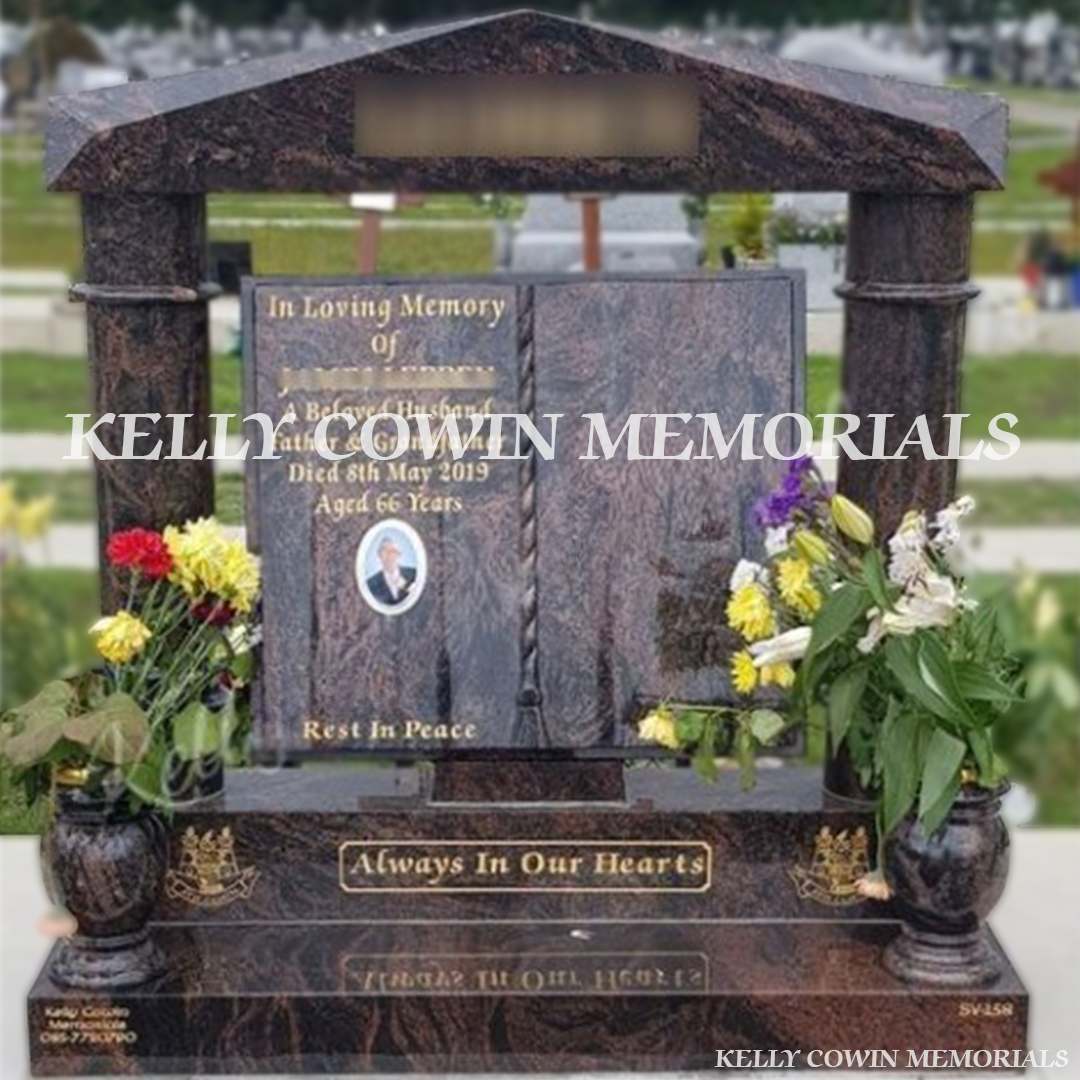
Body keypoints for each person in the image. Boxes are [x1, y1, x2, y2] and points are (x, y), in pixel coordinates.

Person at [366, 535, 416, 606]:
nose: (390, 557)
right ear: (379, 555)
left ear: (399, 555)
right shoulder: (370, 584)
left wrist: (406, 586)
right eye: (386, 552)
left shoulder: (414, 574)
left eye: (393, 551)